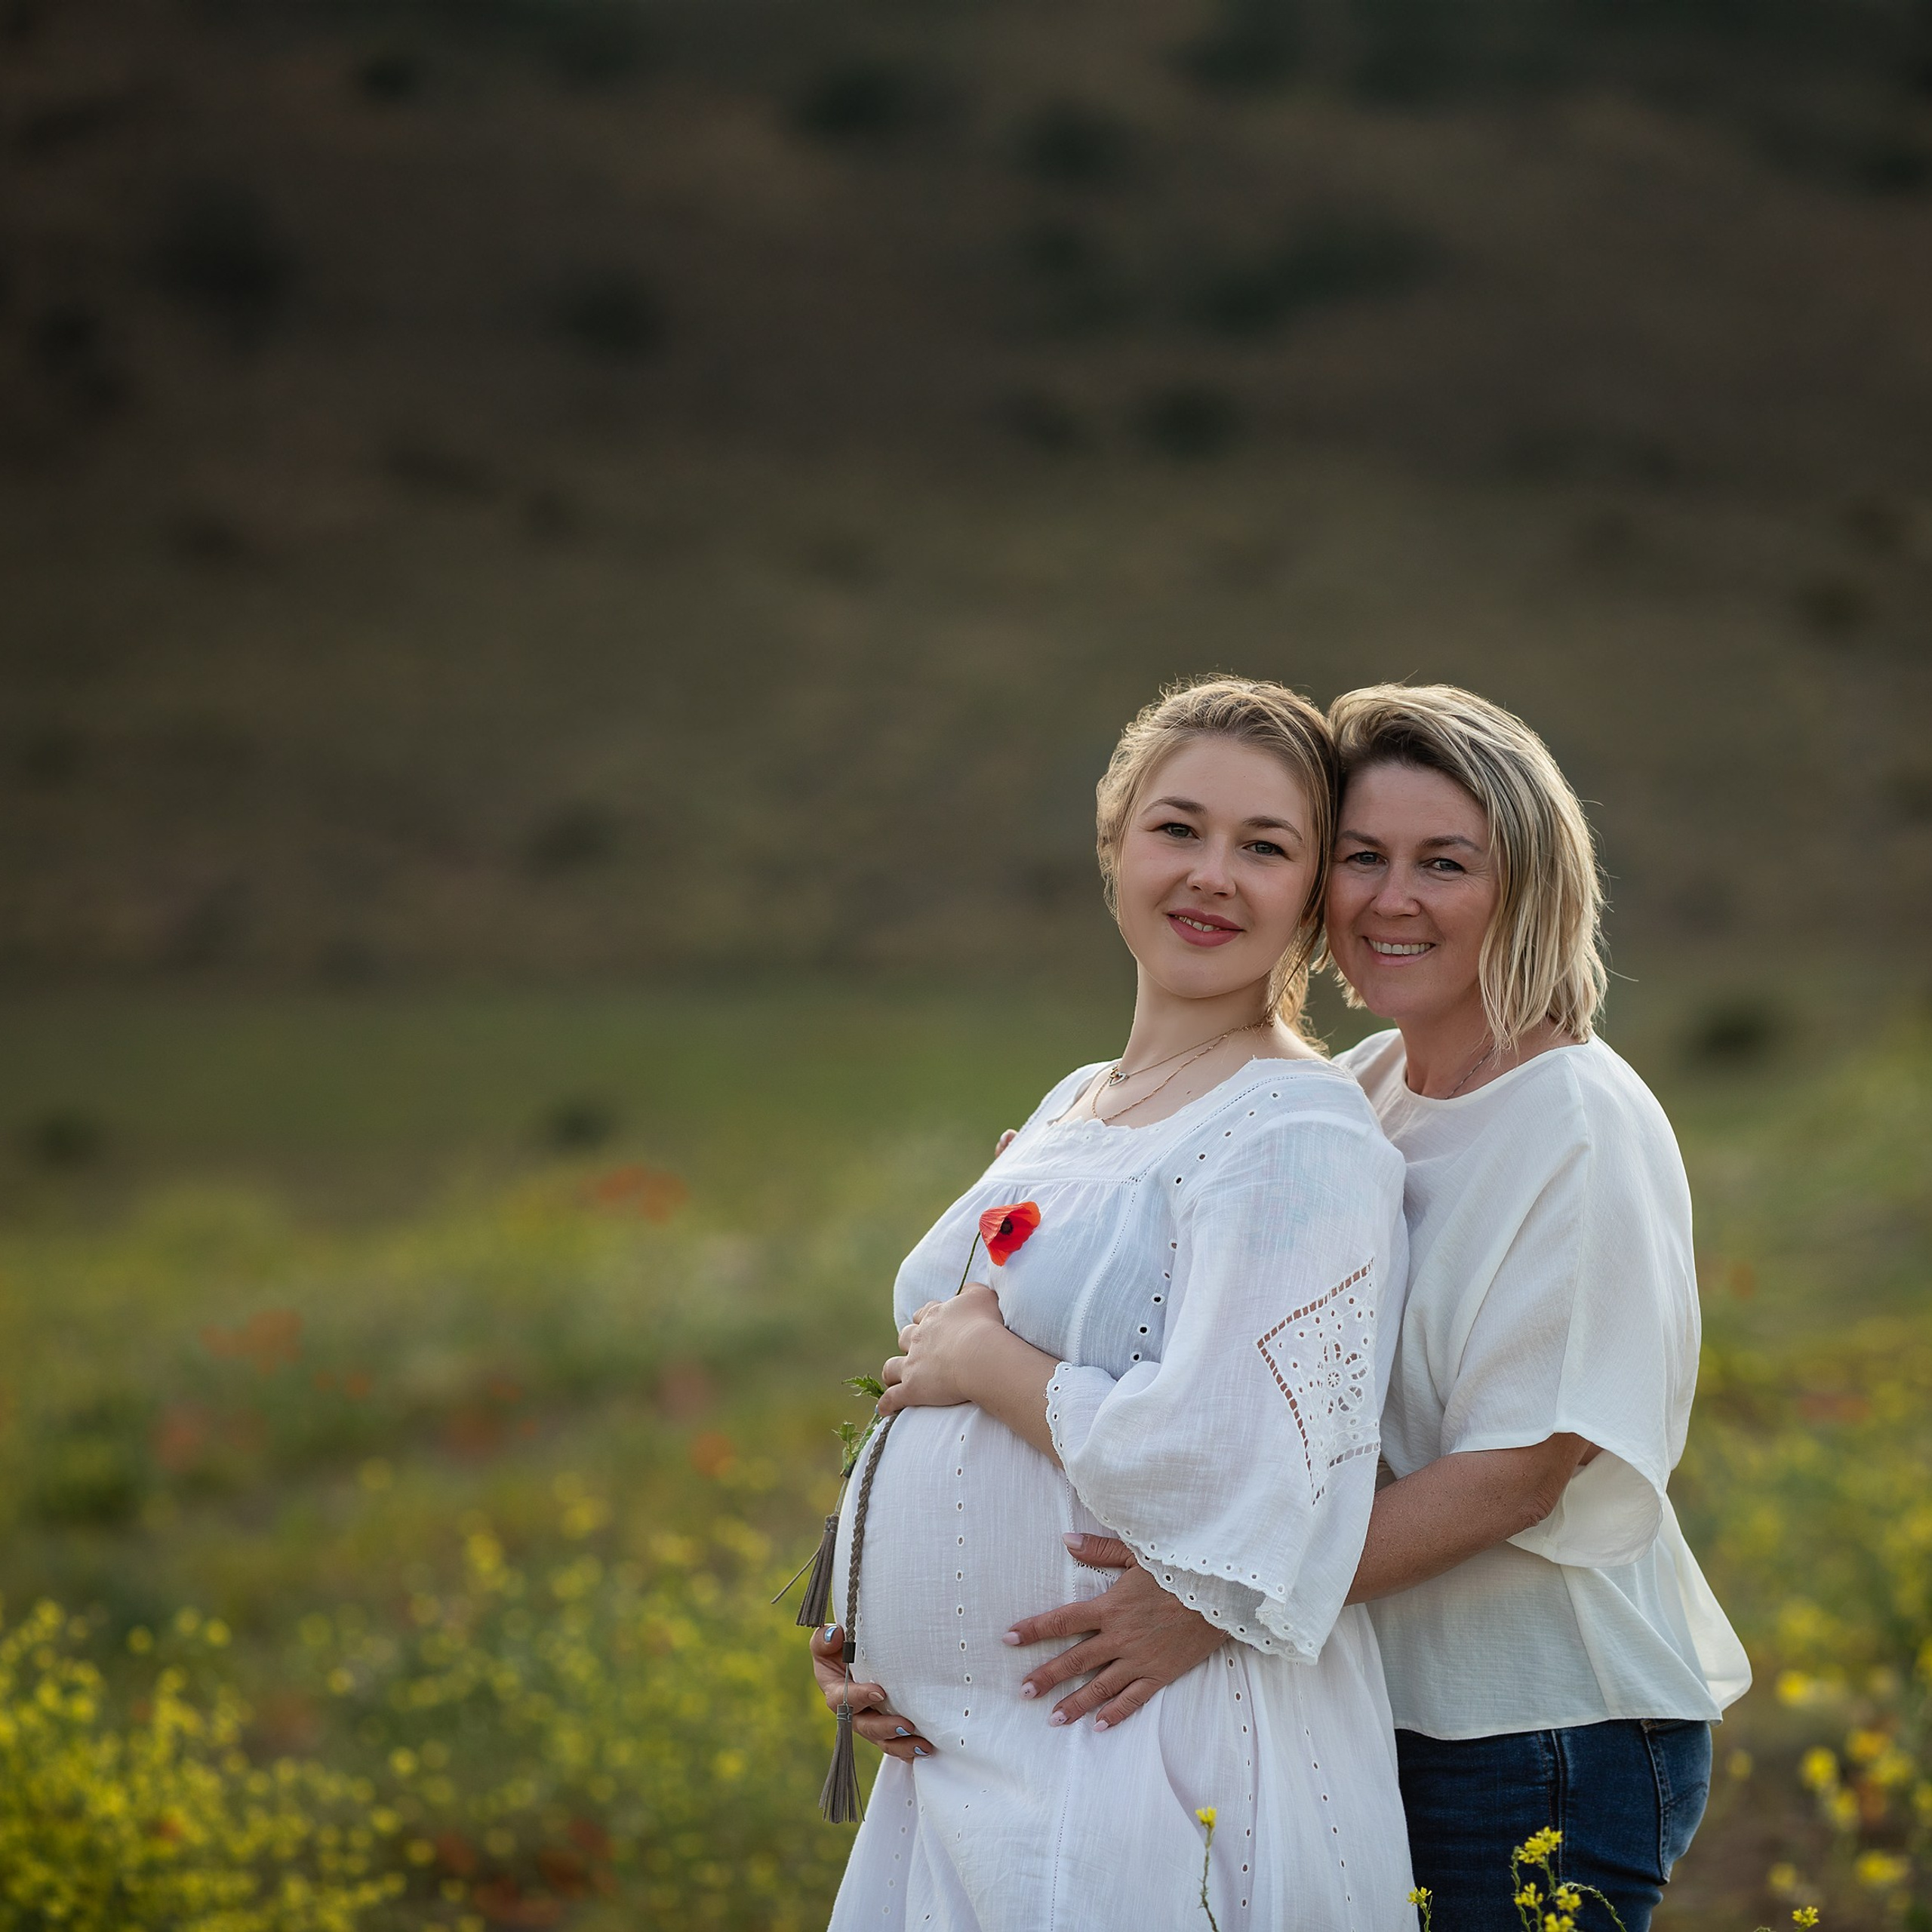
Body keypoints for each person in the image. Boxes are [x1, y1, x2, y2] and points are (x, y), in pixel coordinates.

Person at [1004, 683, 1748, 1930]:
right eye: (1363, 858)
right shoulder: (1360, 1089)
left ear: (1527, 888)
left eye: (1444, 863)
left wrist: (1212, 1599)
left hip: (1534, 1730)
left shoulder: (1576, 1121)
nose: (1392, 900)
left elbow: (1523, 1467)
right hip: (1361, 1706)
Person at [808, 677, 1417, 1930]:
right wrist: (865, 1614)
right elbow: (934, 1371)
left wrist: (987, 1367)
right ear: (1114, 844)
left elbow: (1239, 1468)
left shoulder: (1299, 1132)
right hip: (971, 1761)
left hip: (1149, 1750)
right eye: (1178, 829)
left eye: (1266, 848)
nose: (1212, 875)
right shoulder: (1078, 1098)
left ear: (1313, 897)